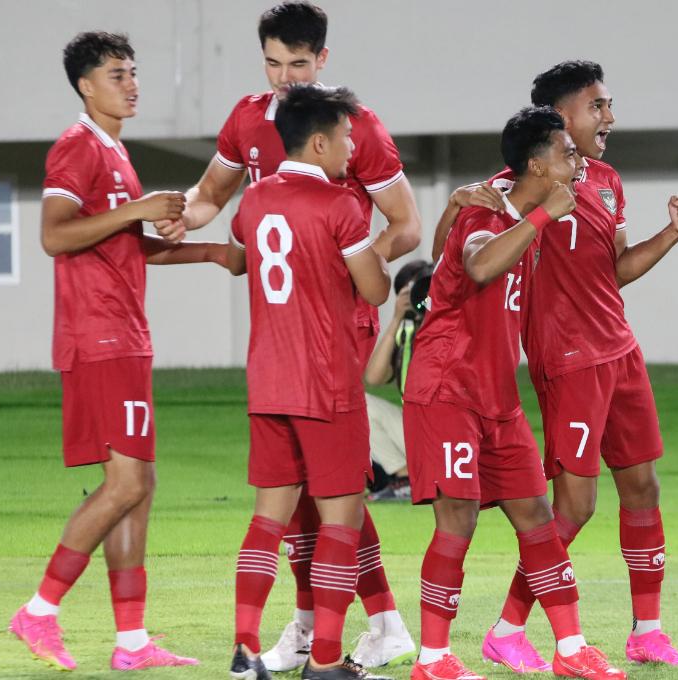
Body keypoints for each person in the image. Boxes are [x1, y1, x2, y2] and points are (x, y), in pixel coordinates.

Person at [158, 2, 420, 669]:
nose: (283, 77)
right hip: (298, 344)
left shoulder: (356, 129)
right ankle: (350, 629)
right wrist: (175, 215)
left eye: (297, 63)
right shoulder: (251, 120)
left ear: (322, 60)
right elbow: (207, 198)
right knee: (328, 499)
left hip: (315, 336)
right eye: (273, 62)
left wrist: (346, 260)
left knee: (309, 499)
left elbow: (406, 224)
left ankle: (304, 629)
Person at [9, 31, 227, 672]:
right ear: (84, 84)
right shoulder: (77, 149)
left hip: (124, 336)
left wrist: (211, 251)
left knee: (139, 485)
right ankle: (40, 610)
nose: (130, 84)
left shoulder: (114, 152)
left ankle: (131, 642)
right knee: (125, 481)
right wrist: (136, 206)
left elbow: (122, 244)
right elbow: (55, 235)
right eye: (115, 74)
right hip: (98, 338)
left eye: (132, 72)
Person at [478, 61, 678, 670]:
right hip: (568, 360)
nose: (610, 117)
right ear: (560, 119)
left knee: (643, 487)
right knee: (574, 507)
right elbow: (476, 256)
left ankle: (647, 633)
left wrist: (673, 234)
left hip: (620, 352)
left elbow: (618, 270)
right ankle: (506, 629)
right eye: (597, 106)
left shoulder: (605, 180)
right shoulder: (512, 187)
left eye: (608, 104)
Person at [403, 106, 625, 680]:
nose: (577, 160)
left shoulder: (504, 208)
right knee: (458, 522)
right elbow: (476, 266)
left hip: (497, 398)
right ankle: (432, 660)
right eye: (566, 153)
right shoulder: (493, 216)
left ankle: (572, 650)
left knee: (537, 517)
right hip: (446, 389)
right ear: (536, 165)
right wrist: (540, 217)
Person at [225, 83, 393, 680]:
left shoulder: (253, 201)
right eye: (346, 137)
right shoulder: (339, 205)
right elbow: (375, 289)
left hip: (266, 382)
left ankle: (245, 652)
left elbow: (243, 253)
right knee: (340, 524)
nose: (352, 146)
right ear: (319, 141)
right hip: (326, 383)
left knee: (267, 520)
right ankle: (324, 662)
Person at [362, 260, 436, 502]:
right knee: (361, 404)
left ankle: (411, 480)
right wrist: (396, 319)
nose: (421, 297)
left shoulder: (451, 324)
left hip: (447, 431)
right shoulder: (406, 330)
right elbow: (373, 377)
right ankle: (404, 479)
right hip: (416, 429)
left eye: (426, 290)